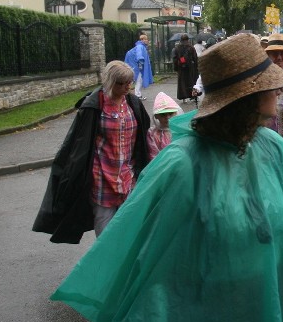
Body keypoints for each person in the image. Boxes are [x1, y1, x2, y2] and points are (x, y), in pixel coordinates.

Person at [49, 34, 283, 322]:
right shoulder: (181, 164)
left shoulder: (276, 150)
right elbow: (150, 261)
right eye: (268, 85)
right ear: (244, 98)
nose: (279, 90)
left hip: (268, 311)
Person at [33, 61, 151, 242]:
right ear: (111, 82)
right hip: (102, 177)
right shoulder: (94, 105)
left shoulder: (133, 103)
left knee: (129, 229)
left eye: (130, 82)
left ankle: (122, 267)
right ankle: (106, 267)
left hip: (129, 177)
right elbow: (77, 143)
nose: (128, 86)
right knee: (105, 234)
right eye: (122, 83)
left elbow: (144, 137)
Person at [147, 91, 182, 158]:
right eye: (163, 115)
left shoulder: (181, 130)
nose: (167, 117)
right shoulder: (153, 133)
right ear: (156, 116)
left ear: (176, 113)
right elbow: (154, 155)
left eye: (171, 113)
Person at [124, 33, 153, 100]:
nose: (147, 40)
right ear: (142, 40)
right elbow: (139, 55)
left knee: (134, 80)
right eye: (145, 39)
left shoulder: (140, 46)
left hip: (134, 65)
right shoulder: (140, 46)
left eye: (147, 39)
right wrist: (140, 63)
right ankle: (137, 95)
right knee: (138, 80)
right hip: (137, 67)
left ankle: (130, 94)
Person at [173, 34, 199, 103]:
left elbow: (175, 59)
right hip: (190, 68)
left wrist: (176, 68)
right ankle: (193, 96)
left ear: (181, 40)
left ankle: (184, 97)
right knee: (192, 81)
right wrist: (196, 67)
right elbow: (195, 58)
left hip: (181, 68)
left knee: (182, 83)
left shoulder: (177, 48)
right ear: (188, 40)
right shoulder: (191, 47)